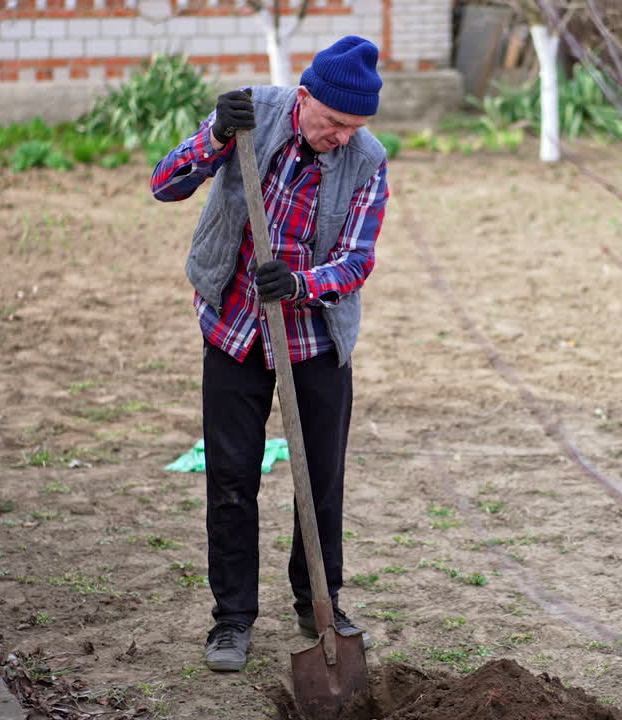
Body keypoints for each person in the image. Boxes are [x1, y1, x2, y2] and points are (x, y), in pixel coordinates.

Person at [150, 35, 388, 672]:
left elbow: (359, 260)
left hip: (315, 338)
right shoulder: (251, 115)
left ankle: (319, 600)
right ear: (304, 97)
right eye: (333, 122)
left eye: (353, 127)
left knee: (321, 479)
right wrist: (215, 139)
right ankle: (232, 619)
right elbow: (164, 185)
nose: (341, 136)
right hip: (232, 327)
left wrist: (304, 284)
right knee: (231, 478)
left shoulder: (368, 160)